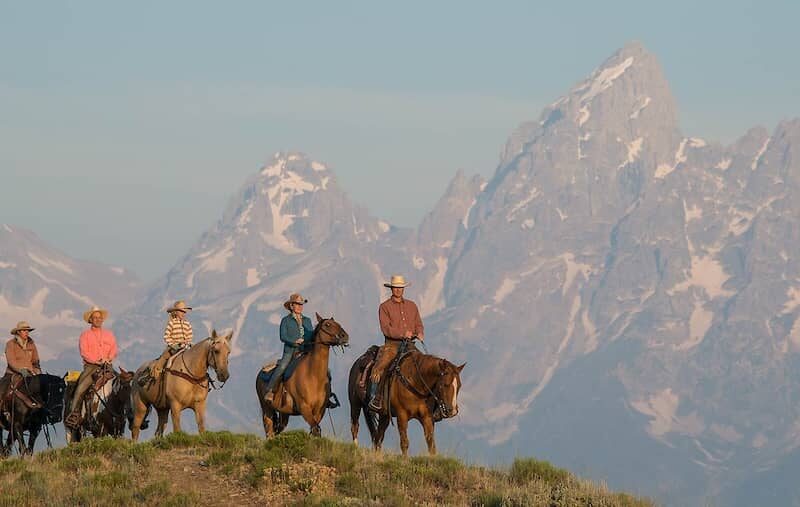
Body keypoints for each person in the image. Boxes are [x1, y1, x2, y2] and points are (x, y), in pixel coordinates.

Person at [368, 275, 424, 412]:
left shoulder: (412, 306)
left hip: (410, 344)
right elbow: (386, 328)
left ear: (403, 289)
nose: (398, 290)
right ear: (391, 288)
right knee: (380, 368)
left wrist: (420, 332)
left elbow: (418, 323)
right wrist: (402, 333)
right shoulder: (384, 307)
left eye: (400, 288)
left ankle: (428, 402)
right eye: (396, 288)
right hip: (392, 345)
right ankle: (376, 398)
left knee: (424, 365)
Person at [65, 306, 119, 428]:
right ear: (90, 320)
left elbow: (114, 348)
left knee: (122, 383)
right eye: (95, 318)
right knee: (81, 388)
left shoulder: (109, 334)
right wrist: (97, 361)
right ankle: (74, 414)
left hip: (108, 365)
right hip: (91, 367)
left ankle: (125, 412)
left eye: (100, 318)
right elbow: (84, 352)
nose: (98, 320)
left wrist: (109, 358)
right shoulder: (85, 335)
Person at [263, 293, 314, 403]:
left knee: (324, 369)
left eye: (301, 304)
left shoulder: (307, 320)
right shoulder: (285, 320)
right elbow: (283, 336)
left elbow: (311, 334)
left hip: (305, 350)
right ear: (291, 306)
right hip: (290, 351)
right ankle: (270, 390)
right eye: (297, 304)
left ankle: (326, 395)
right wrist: (294, 342)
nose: (300, 306)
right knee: (282, 367)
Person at [0, 321, 42, 416]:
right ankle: (3, 411)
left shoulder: (31, 344)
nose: (26, 332)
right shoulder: (11, 344)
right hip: (12, 373)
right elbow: (11, 361)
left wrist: (37, 370)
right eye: (24, 330)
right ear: (18, 332)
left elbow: (35, 360)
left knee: (41, 392)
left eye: (28, 330)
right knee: (2, 390)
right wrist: (21, 370)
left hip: (30, 374)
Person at [151, 300, 194, 379]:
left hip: (185, 347)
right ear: (176, 312)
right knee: (163, 358)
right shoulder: (172, 323)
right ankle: (153, 374)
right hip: (174, 347)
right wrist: (174, 344)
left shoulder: (187, 324)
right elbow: (167, 336)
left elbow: (190, 336)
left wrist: (187, 342)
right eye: (181, 311)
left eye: (184, 311)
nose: (183, 313)